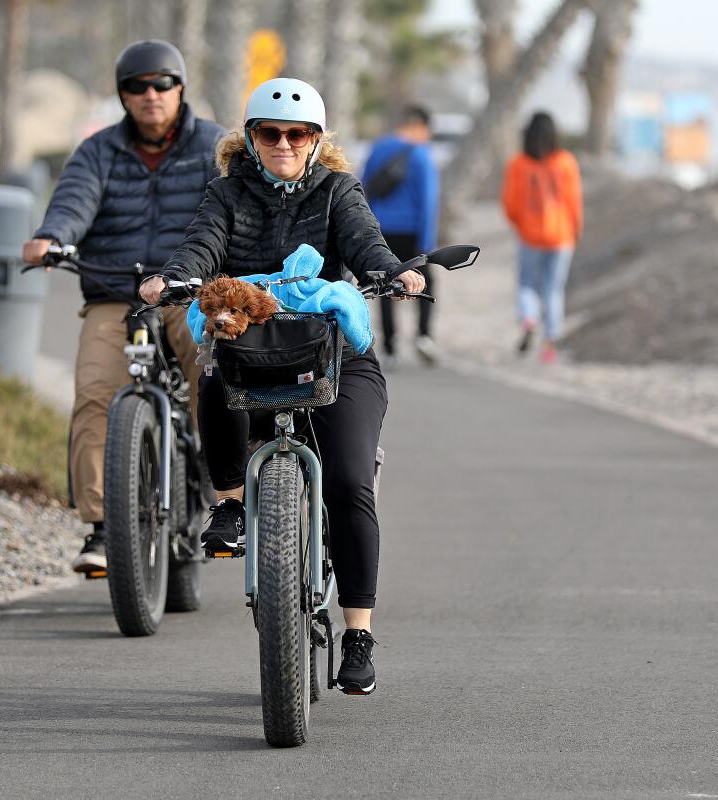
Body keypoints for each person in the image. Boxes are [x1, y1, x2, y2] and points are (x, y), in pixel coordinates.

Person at [139, 78, 426, 695]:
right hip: (256, 353)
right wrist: (176, 279)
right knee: (212, 373)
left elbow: (365, 245)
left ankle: (357, 633)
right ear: (251, 138)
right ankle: (230, 503)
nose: (285, 143)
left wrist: (390, 274)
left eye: (298, 134)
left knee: (349, 483)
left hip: (335, 357)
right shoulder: (226, 192)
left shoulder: (337, 191)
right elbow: (201, 247)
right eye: (271, 133)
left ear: (317, 141)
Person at [22, 40, 223, 574]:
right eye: (137, 86)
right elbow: (73, 201)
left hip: (187, 291)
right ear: (122, 96)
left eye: (162, 83)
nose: (151, 95)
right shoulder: (97, 151)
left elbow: (232, 210)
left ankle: (218, 475)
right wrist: (51, 237)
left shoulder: (214, 146)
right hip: (117, 295)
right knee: (93, 394)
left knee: (214, 375)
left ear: (181, 88)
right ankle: (102, 528)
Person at [500, 111, 583, 364]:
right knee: (553, 289)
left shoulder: (519, 164)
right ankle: (549, 345)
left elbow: (510, 203)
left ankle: (529, 317)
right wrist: (576, 230)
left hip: (531, 235)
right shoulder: (566, 162)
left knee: (527, 284)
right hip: (561, 237)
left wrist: (521, 225)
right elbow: (574, 202)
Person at [361, 105, 440, 368]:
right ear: (419, 125)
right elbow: (428, 202)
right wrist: (427, 241)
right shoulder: (421, 155)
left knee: (384, 287)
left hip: (381, 231)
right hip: (412, 233)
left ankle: (391, 347)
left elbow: (363, 191)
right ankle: (424, 336)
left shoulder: (378, 148)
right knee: (426, 283)